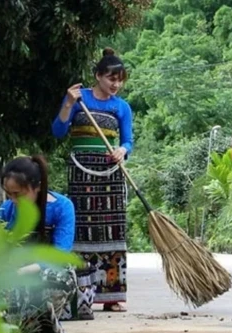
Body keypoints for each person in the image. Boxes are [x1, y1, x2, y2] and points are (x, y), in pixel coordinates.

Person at [51, 47, 133, 314]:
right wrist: (67, 103)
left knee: (112, 229)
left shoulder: (122, 107)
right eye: (111, 78)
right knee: (81, 229)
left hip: (109, 175)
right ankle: (80, 292)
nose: (116, 85)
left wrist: (123, 150)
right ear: (98, 76)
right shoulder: (79, 99)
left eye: (120, 80)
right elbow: (58, 131)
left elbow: (128, 140)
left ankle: (112, 296)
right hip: (81, 172)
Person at [0, 155, 77, 333]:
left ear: (37, 186)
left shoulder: (62, 207)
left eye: (19, 194)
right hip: (14, 278)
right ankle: (33, 326)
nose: (13, 200)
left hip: (45, 274)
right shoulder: (6, 210)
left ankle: (40, 320)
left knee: (59, 276)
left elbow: (60, 254)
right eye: (9, 194)